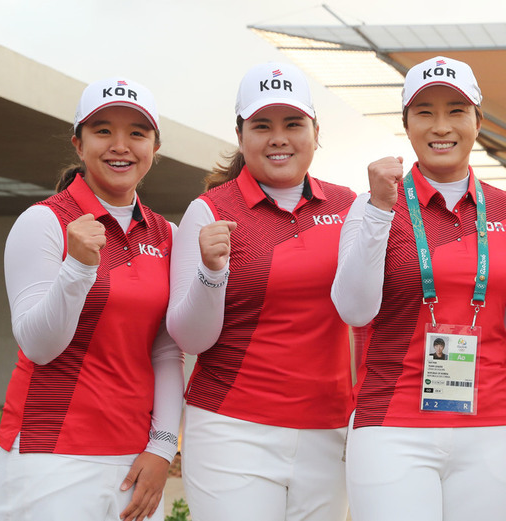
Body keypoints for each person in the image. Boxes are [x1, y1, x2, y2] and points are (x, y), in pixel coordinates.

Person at [331, 56, 506, 521]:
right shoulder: (370, 205)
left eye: (456, 110)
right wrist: (380, 212)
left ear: (478, 122)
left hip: (492, 427)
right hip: (391, 426)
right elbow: (353, 311)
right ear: (406, 123)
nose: (440, 126)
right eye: (425, 112)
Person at [166, 62, 355, 521]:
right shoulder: (208, 210)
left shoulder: (350, 205)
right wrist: (212, 272)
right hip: (232, 429)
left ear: (315, 131)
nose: (278, 138)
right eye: (261, 126)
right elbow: (189, 339)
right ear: (240, 133)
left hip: (328, 429)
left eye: (293, 124)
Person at [0, 78, 183, 521]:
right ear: (78, 144)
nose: (121, 146)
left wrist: (163, 447)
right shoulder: (43, 221)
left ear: (155, 146)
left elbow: (168, 351)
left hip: (134, 460)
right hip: (49, 452)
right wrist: (77, 267)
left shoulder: (166, 235)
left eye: (137, 133)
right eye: (102, 131)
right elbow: (38, 345)